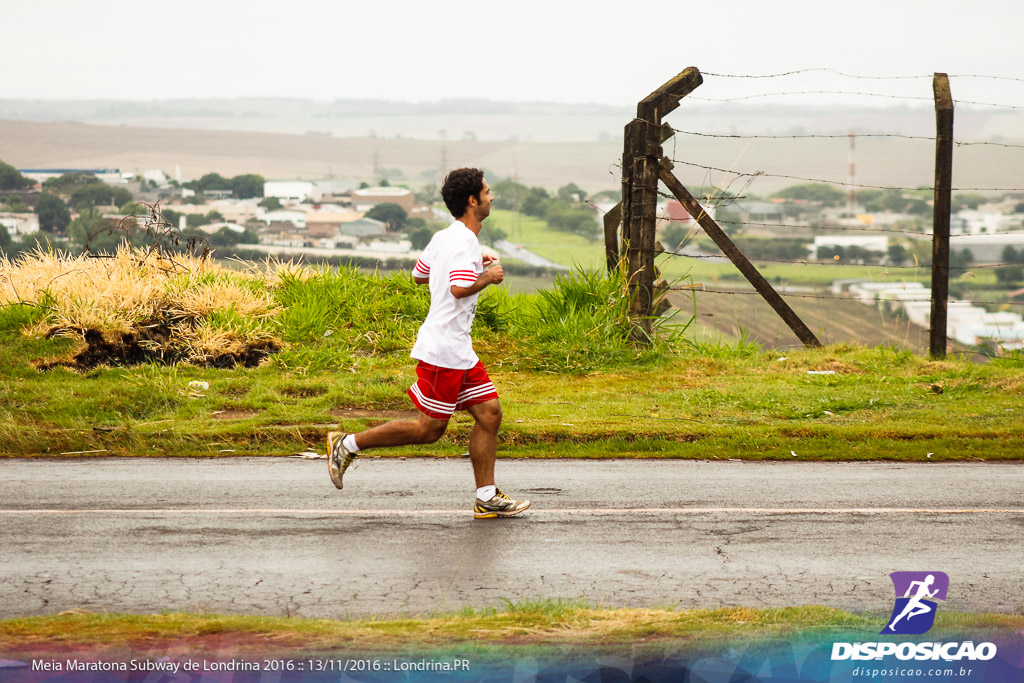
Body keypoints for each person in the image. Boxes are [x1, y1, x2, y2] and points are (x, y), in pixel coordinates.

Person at [326, 168, 531, 519]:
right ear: (472, 200)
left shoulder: (444, 237)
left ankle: (486, 496)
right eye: (487, 191)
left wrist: (469, 263)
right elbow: (458, 288)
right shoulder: (464, 240)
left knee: (490, 413)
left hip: (459, 349)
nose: (491, 196)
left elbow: (419, 274)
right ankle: (347, 445)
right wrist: (489, 276)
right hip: (443, 350)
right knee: (429, 429)